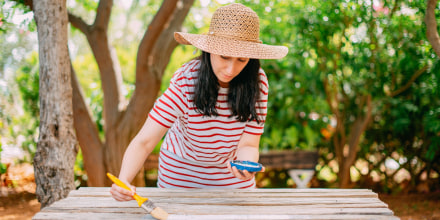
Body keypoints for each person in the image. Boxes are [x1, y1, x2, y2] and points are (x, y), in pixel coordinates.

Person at [110, 3, 288, 201]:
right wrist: (124, 179)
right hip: (180, 177)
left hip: (231, 179)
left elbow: (248, 144)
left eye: (242, 60)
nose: (230, 69)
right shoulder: (187, 80)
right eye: (224, 57)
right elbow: (145, 141)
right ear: (209, 49)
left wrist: (245, 165)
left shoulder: (258, 83)